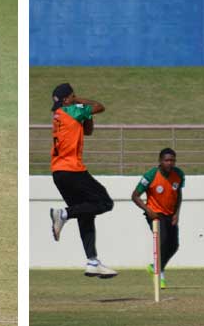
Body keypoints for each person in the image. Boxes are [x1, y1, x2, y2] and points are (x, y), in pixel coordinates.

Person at [47, 83, 117, 278]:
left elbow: (87, 131)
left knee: (86, 214)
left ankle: (92, 261)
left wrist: (87, 115)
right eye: (70, 98)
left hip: (58, 174)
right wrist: (79, 101)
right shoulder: (73, 109)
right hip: (73, 170)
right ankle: (63, 214)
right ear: (69, 98)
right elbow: (100, 106)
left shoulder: (59, 115)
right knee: (105, 202)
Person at [131, 148, 185, 288]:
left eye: (172, 160)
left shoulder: (178, 174)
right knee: (163, 239)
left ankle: (155, 267)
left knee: (174, 245)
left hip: (170, 215)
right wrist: (148, 211)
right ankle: (159, 273)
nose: (170, 163)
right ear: (160, 161)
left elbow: (178, 194)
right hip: (155, 214)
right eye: (167, 160)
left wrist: (176, 214)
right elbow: (135, 196)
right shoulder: (151, 175)